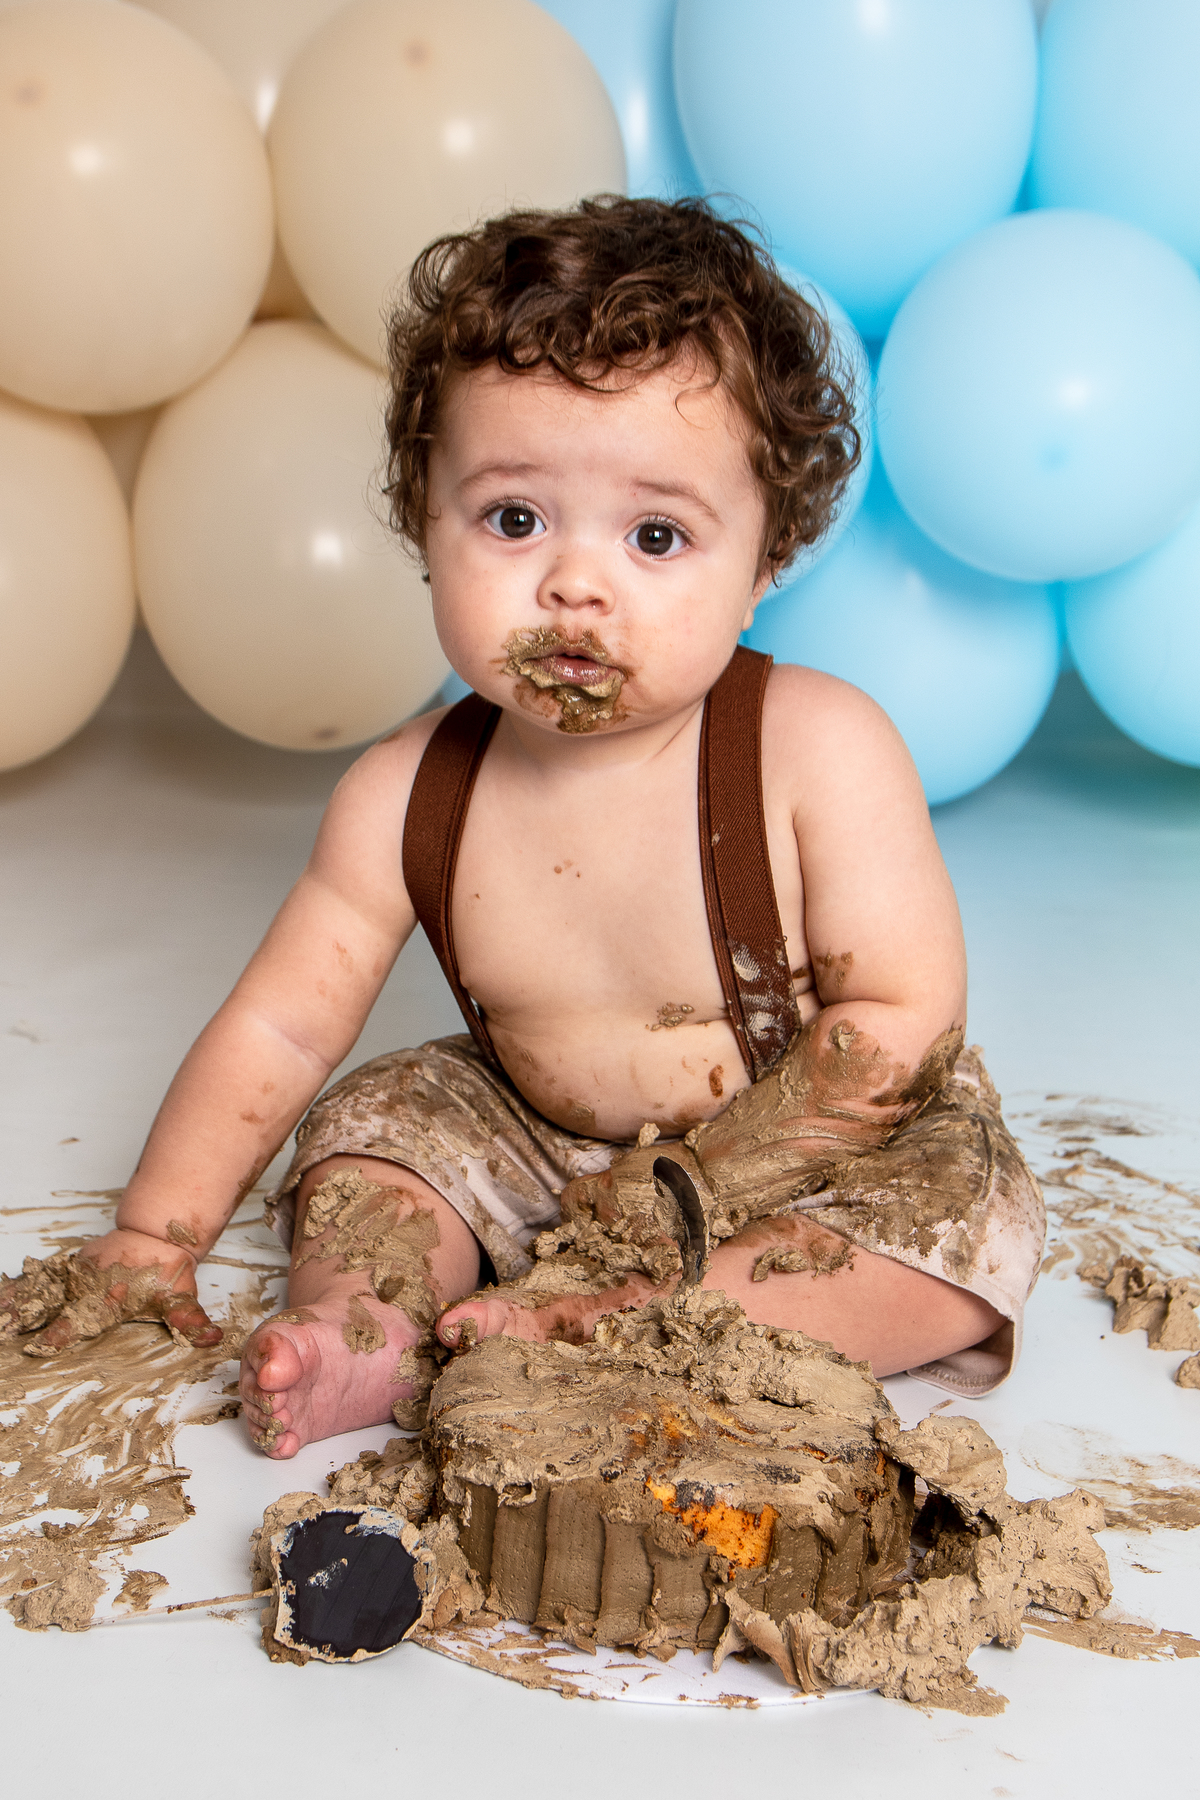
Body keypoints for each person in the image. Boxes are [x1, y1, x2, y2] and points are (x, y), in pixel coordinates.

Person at [0, 198, 1043, 1460]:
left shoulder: (816, 750)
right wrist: (156, 1232)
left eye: (656, 535)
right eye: (512, 519)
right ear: (422, 522)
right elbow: (283, 1025)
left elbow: (899, 1023)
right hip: (532, 1133)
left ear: (767, 558)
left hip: (785, 1161)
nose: (575, 584)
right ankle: (361, 1331)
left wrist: (687, 1203)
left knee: (964, 1209)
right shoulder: (407, 792)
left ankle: (651, 1320)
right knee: (371, 1138)